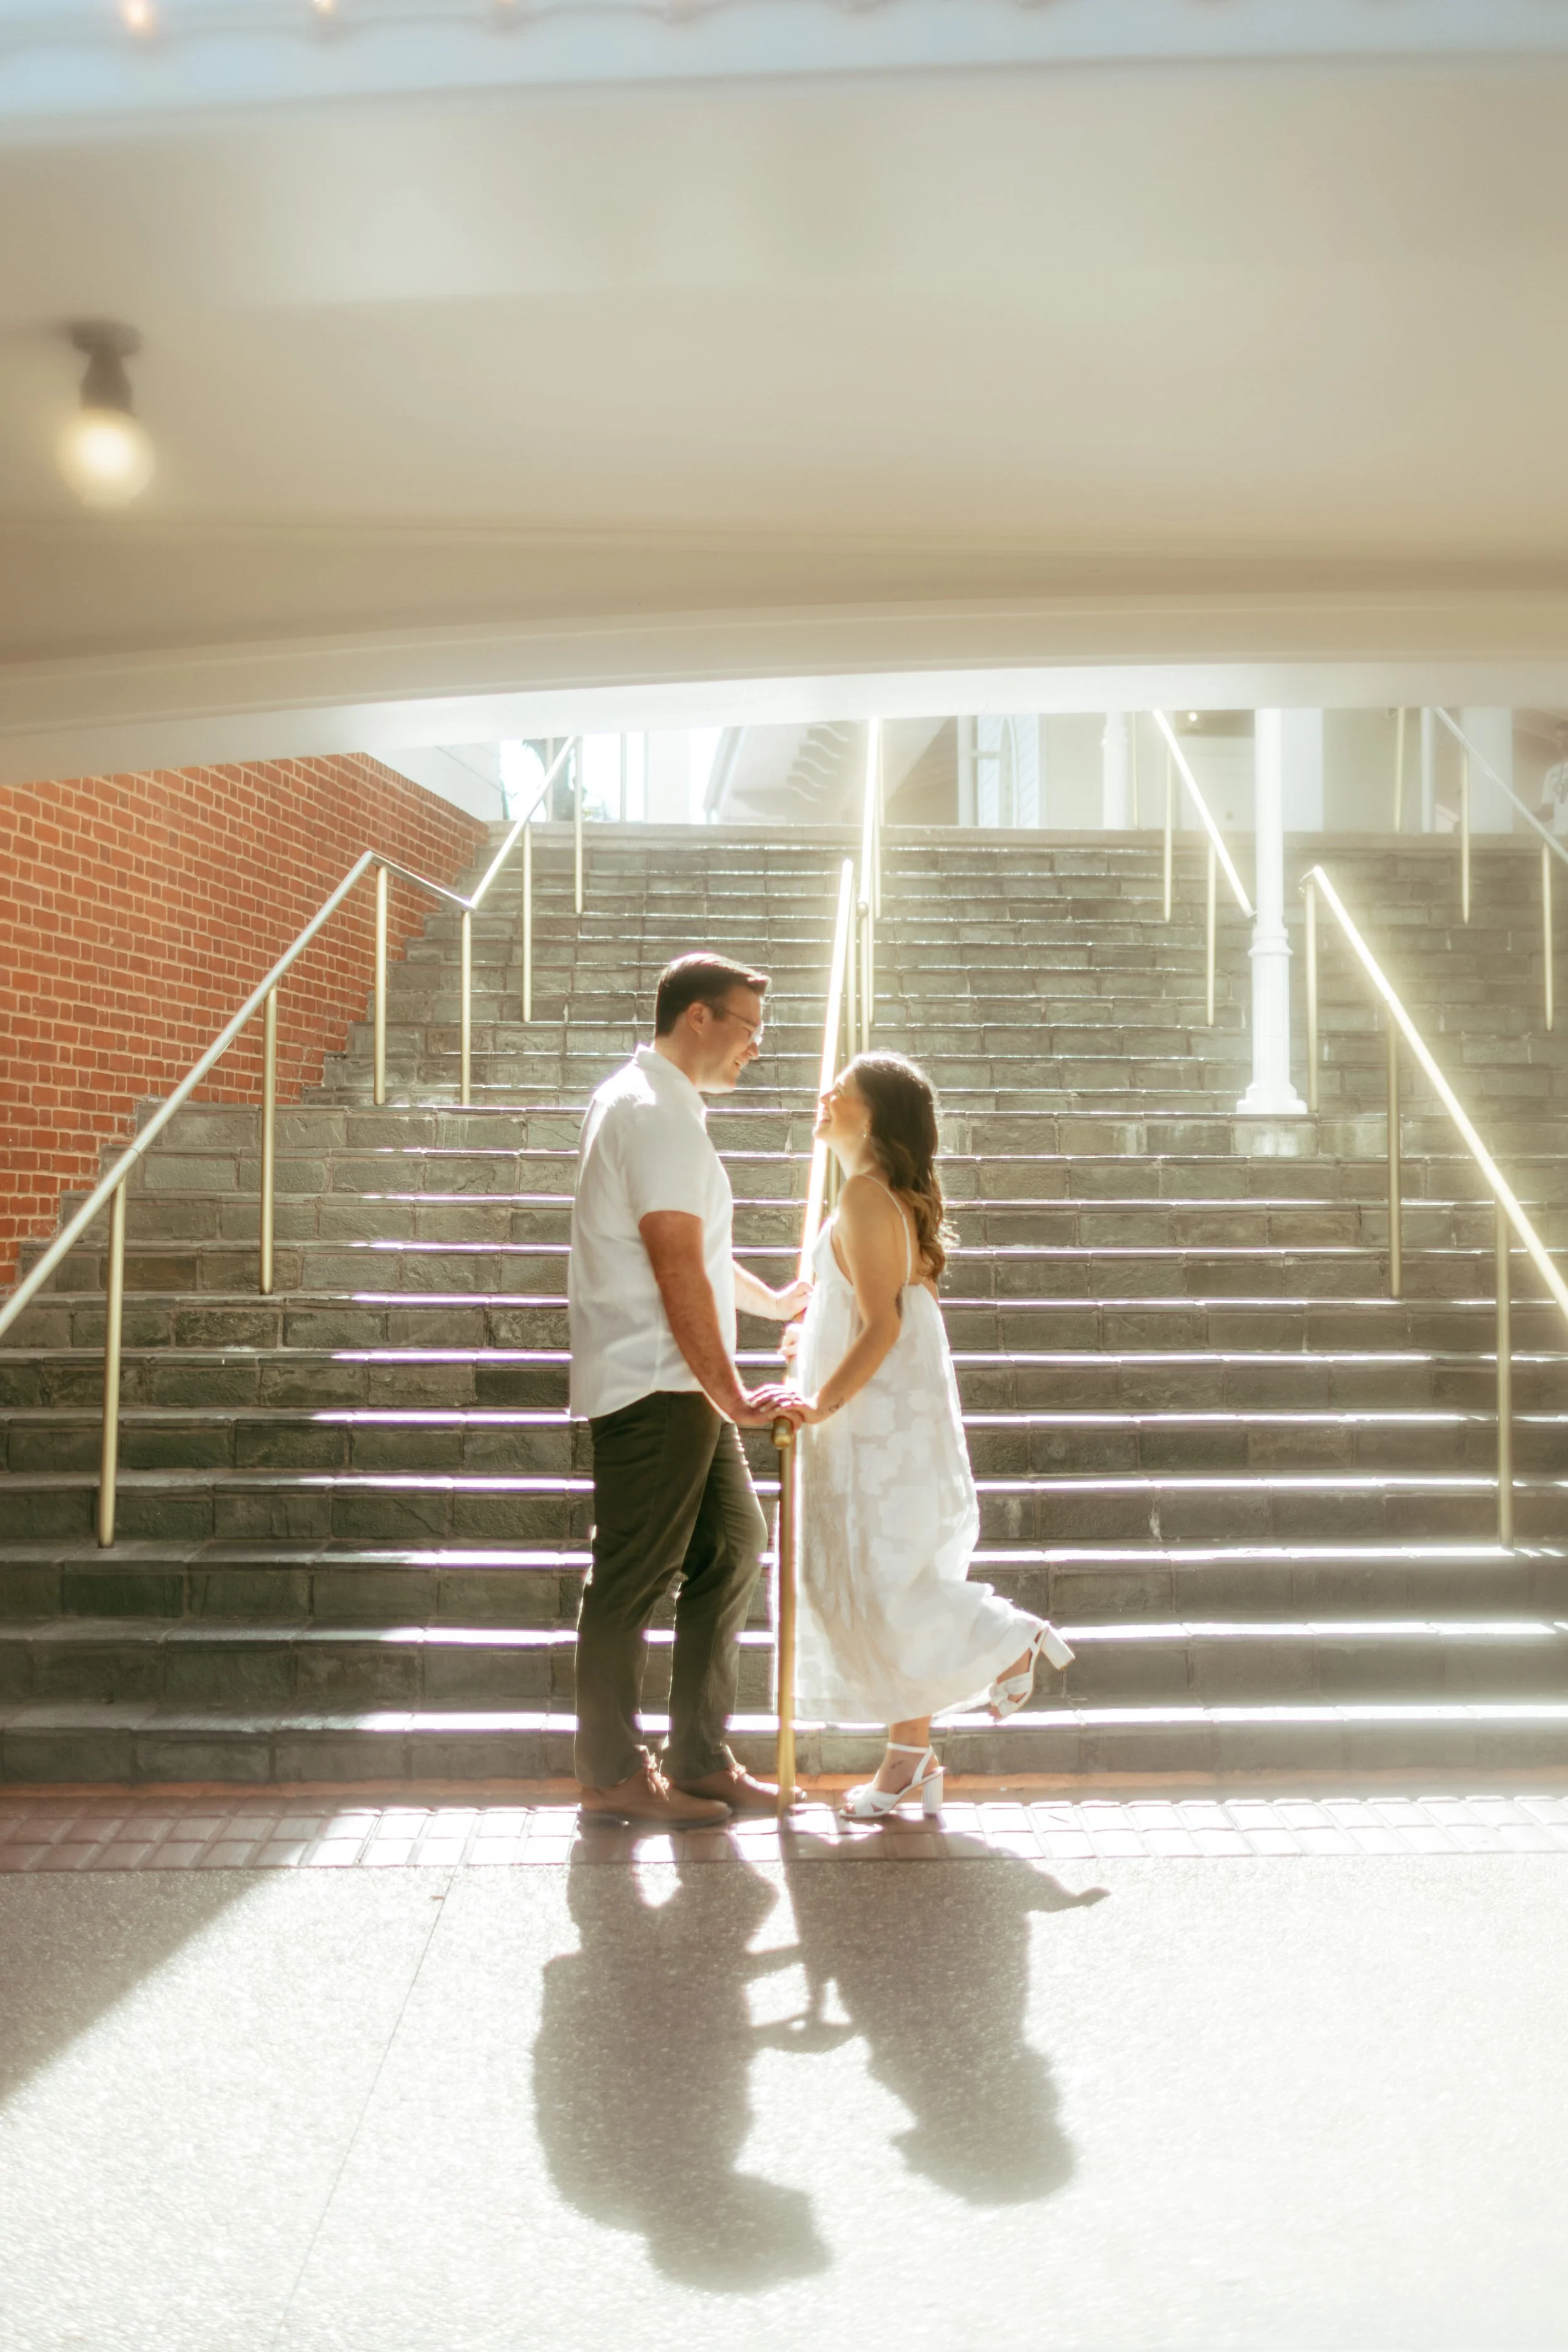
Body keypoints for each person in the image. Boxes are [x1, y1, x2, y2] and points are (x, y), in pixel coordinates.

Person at [784, 1051, 1073, 1818]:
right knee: (870, 1576)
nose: (824, 1097)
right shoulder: (866, 1198)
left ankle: (1007, 1636)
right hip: (877, 1414)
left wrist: (819, 1401)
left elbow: (885, 1322)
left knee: (878, 1580)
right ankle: (909, 1758)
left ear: (871, 1115)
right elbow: (856, 1308)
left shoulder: (863, 1195)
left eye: (839, 1091)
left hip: (874, 1422)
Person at [569, 951, 809, 1828]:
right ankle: (610, 1774)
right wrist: (738, 1392)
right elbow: (674, 1268)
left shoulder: (650, 1102)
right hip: (656, 1381)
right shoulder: (655, 1114)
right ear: (698, 1017)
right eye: (748, 1027)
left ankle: (699, 1757)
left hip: (674, 1381)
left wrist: (772, 1299)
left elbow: (692, 1248)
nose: (756, 1047)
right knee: (632, 1578)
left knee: (735, 1543)